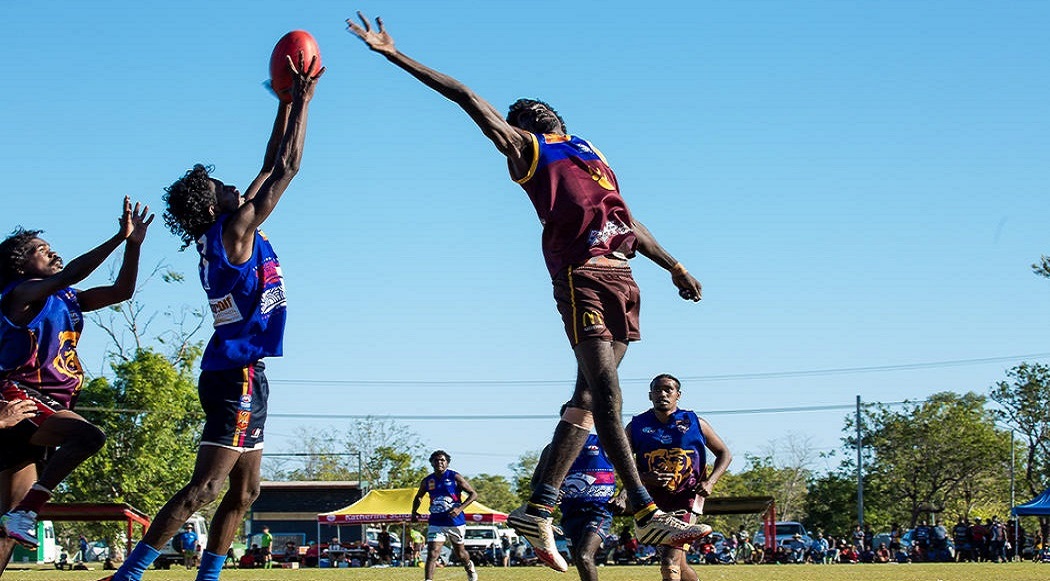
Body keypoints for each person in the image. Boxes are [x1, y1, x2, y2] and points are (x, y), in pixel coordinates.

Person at [346, 12, 708, 572]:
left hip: (624, 276)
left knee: (588, 401)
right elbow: (465, 95)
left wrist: (674, 265)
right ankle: (643, 510)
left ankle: (538, 507)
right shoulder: (527, 150)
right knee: (608, 394)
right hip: (581, 274)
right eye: (519, 116)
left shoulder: (592, 150)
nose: (527, 112)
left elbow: (628, 222)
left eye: (532, 109)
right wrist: (394, 54)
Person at [101, 51, 323, 581]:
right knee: (207, 487)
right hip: (237, 373)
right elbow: (288, 167)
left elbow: (270, 162)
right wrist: (306, 101)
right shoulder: (232, 232)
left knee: (245, 492)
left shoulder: (225, 230)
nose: (234, 187)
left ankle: (210, 576)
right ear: (211, 205)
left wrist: (287, 104)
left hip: (244, 371)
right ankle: (128, 574)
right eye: (223, 186)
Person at [0, 199, 152, 574]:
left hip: (46, 404)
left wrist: (134, 247)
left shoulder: (66, 299)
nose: (51, 251)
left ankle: (22, 515)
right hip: (21, 397)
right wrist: (119, 237)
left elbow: (121, 291)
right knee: (88, 437)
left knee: (10, 523)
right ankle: (28, 512)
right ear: (21, 266)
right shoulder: (19, 294)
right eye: (40, 249)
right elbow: (72, 274)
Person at [626, 374, 732, 581]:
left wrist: (710, 481)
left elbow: (724, 454)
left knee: (669, 561)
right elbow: (620, 462)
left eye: (668, 390)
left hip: (687, 498)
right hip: (651, 504)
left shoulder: (695, 422)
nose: (662, 394)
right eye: (657, 390)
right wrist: (645, 477)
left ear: (678, 395)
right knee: (680, 565)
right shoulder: (637, 425)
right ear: (650, 395)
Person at [533, 429, 621, 581]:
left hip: (599, 511)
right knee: (579, 560)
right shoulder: (552, 448)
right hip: (570, 513)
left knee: (584, 555)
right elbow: (535, 483)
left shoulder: (603, 442)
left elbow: (634, 472)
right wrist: (552, 492)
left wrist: (623, 496)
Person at [411, 450, 478, 581]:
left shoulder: (455, 477)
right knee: (433, 553)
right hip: (436, 521)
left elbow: (473, 494)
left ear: (447, 463)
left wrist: (460, 508)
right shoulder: (427, 480)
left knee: (460, 553)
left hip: (455, 521)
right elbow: (419, 497)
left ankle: (469, 566)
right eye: (436, 460)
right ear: (431, 463)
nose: (439, 463)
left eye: (442, 460)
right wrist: (414, 512)